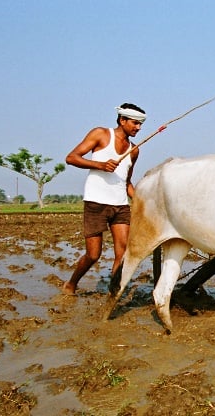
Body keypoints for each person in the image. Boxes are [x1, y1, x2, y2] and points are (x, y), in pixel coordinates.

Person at [62, 103, 146, 295]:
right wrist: (100, 165)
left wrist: (141, 201)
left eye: (141, 124)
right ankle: (71, 284)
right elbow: (72, 157)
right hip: (96, 203)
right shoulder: (100, 134)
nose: (138, 128)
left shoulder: (134, 150)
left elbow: (127, 182)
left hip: (120, 206)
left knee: (123, 253)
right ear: (122, 120)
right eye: (135, 123)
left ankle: (113, 291)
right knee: (93, 255)